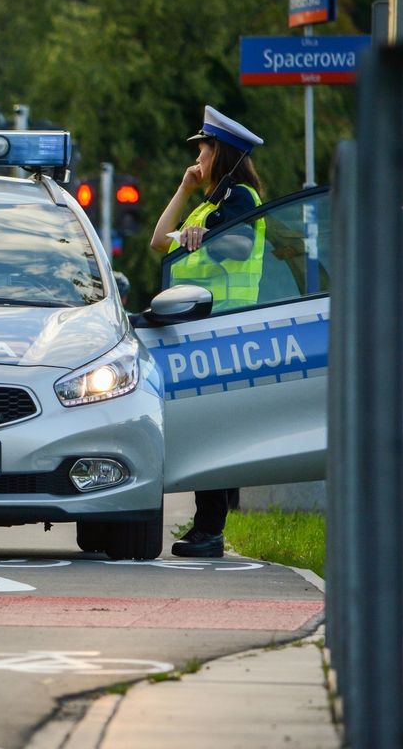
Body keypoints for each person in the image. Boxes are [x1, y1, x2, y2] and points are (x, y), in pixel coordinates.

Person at [149, 105, 267, 559]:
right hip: (201, 329)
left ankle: (210, 530)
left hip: (227, 329)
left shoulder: (240, 199)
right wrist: (183, 190)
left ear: (220, 152)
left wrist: (208, 236)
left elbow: (238, 246)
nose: (197, 156)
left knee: (214, 429)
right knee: (205, 428)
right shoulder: (207, 204)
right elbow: (160, 241)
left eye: (202, 148)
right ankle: (207, 527)